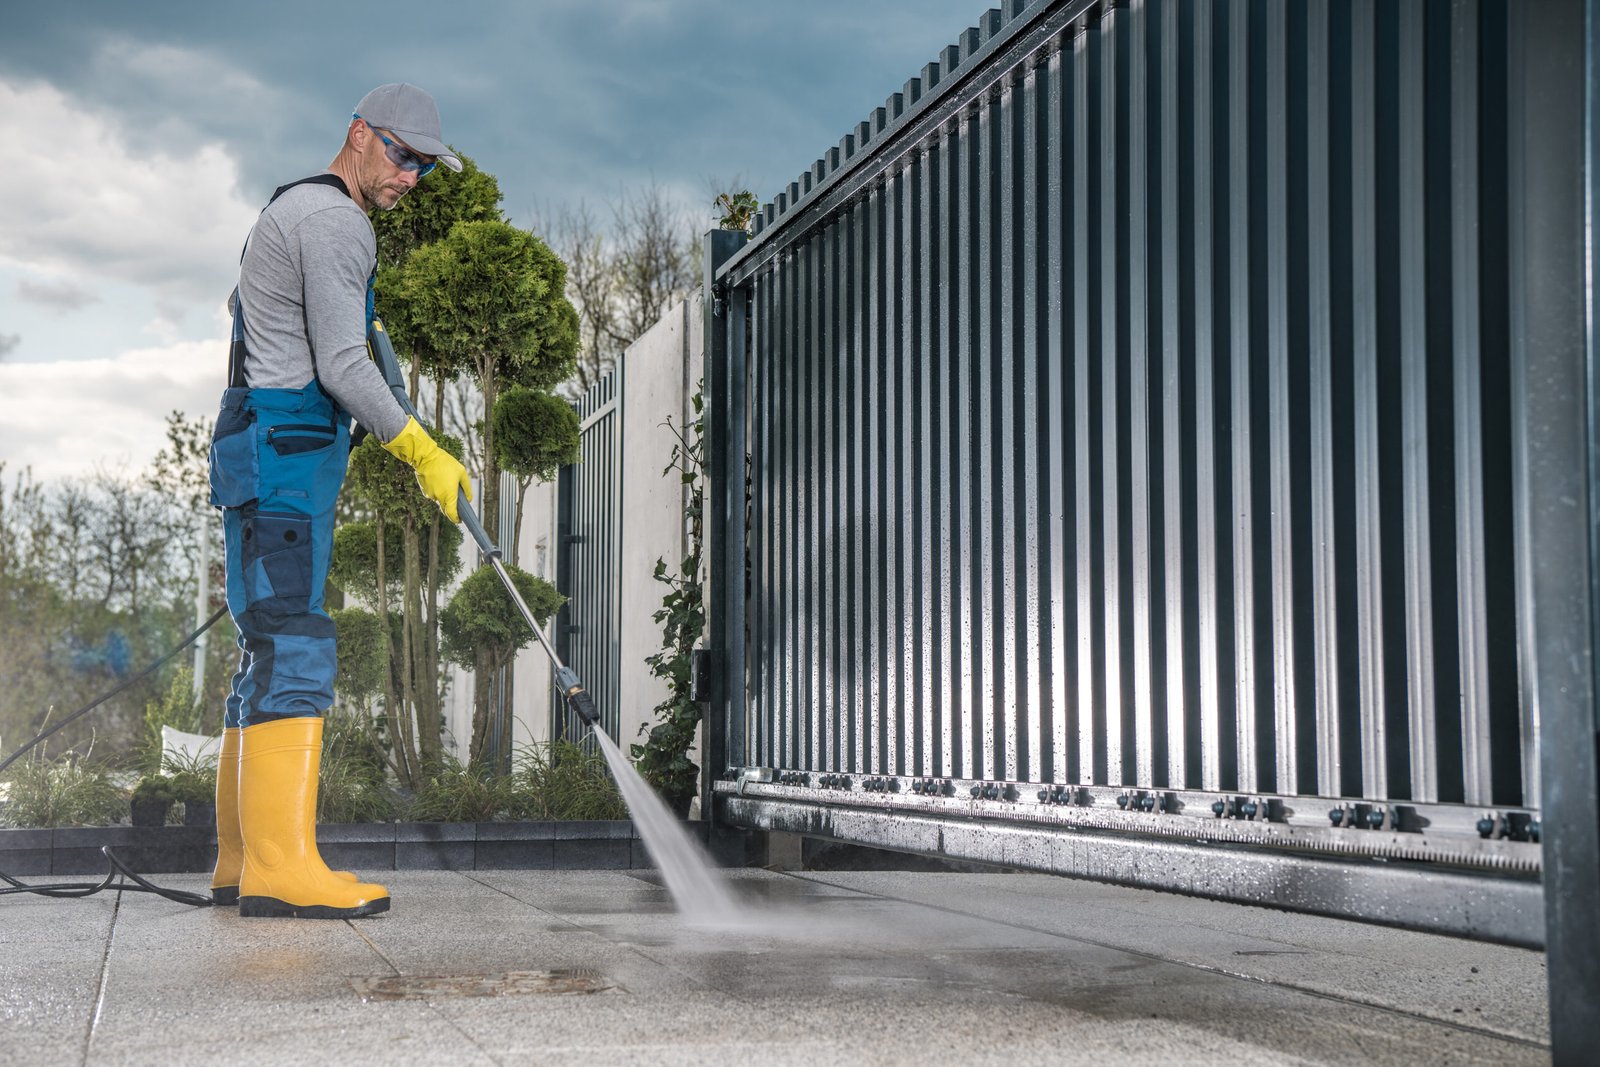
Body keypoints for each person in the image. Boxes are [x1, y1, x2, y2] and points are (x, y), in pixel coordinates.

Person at [205, 84, 472, 919]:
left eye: (425, 164)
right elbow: (342, 367)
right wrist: (420, 445)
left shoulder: (289, 209)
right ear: (359, 134)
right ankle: (282, 866)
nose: (411, 176)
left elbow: (261, 325)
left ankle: (242, 860)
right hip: (283, 460)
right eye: (401, 154)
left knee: (266, 650)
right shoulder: (333, 221)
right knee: (296, 647)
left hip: (268, 455)